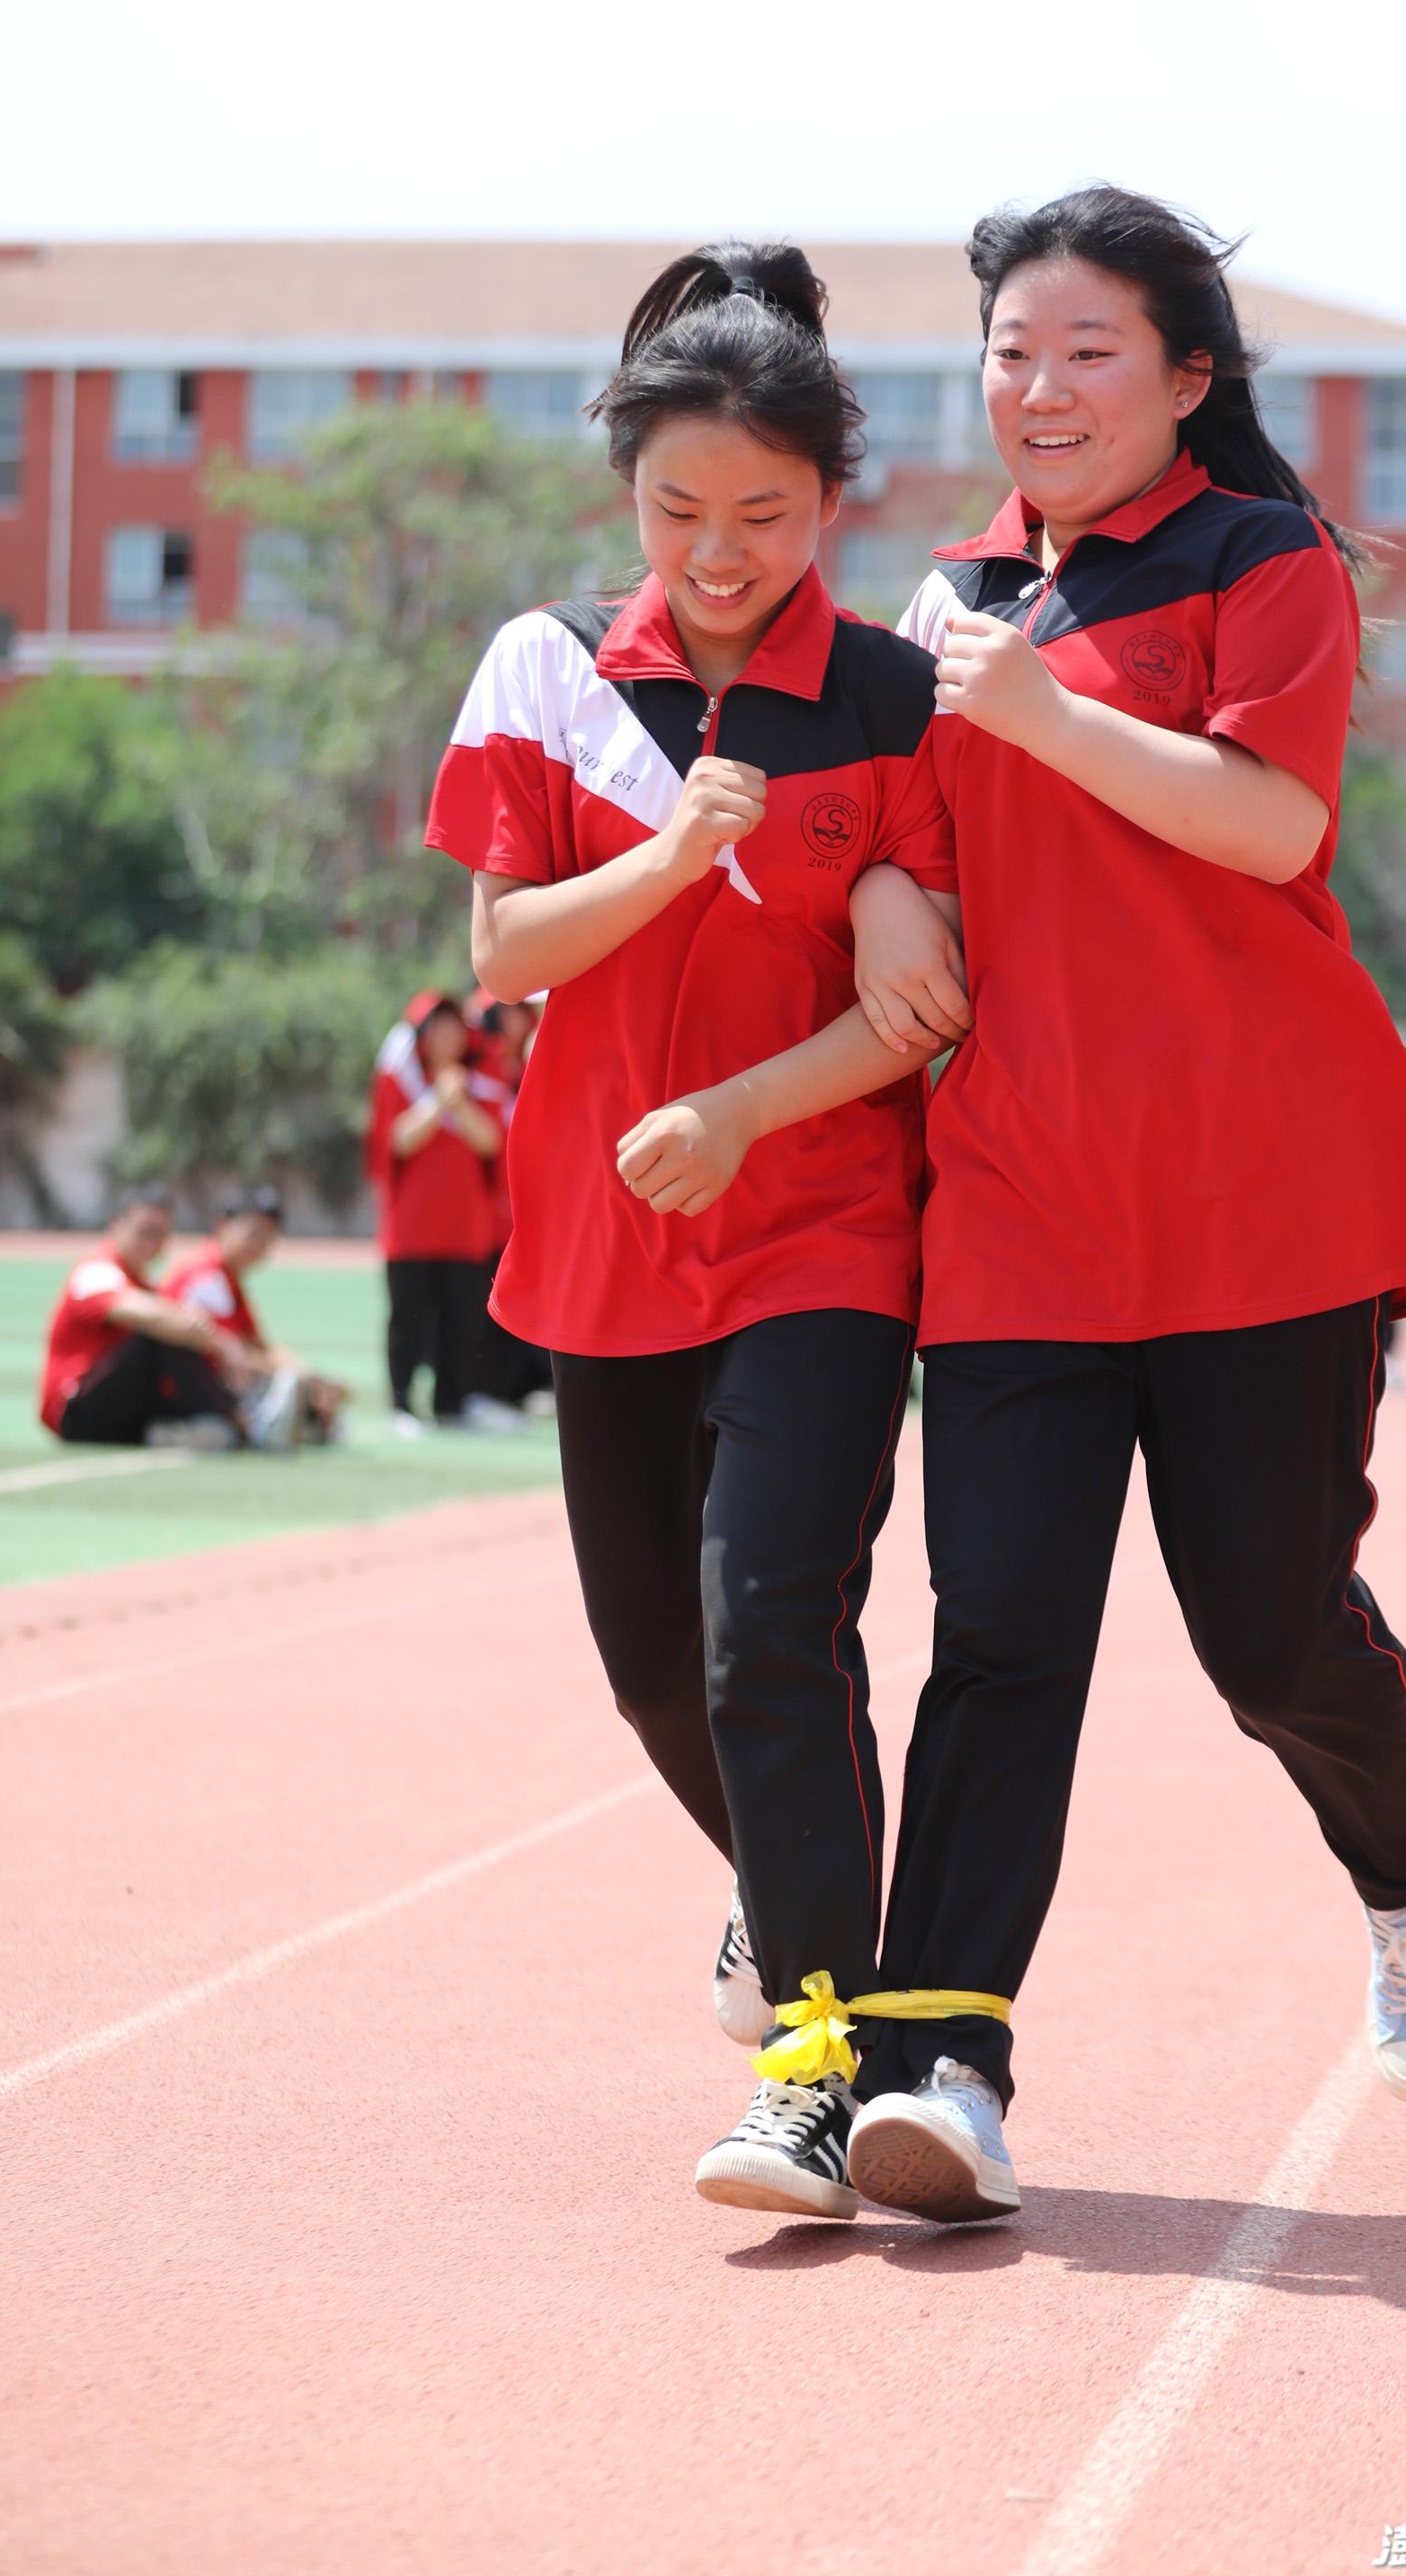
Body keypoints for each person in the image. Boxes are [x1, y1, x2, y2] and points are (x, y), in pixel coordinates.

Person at [832, 185, 1406, 2222]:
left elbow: (1271, 815)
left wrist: (1040, 708)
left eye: (1084, 350)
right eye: (1008, 353)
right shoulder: (944, 596)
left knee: (1263, 1626)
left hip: (1253, 1193)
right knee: (999, 1631)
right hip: (1021, 1188)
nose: (1036, 388)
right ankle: (939, 2066)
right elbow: (907, 836)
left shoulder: (1258, 558)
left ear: (1185, 377)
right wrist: (874, 885)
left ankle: (1405, 1867)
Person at [425, 240, 981, 2222]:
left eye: (762, 512)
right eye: (677, 509)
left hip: (821, 1226)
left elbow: (915, 1002)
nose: (720, 549)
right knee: (659, 1670)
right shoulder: (549, 670)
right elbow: (502, 954)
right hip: (600, 1238)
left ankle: (824, 2064)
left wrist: (749, 1103)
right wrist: (675, 850)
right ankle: (800, 1923)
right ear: (626, 494)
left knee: (771, 1632)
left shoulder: (902, 693)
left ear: (831, 500)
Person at [37, 1187, 299, 1451]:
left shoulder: (145, 1285)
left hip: (121, 1407)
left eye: (160, 1234)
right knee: (163, 1334)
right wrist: (223, 1345)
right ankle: (244, 1422)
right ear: (116, 1227)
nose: (152, 1241)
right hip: (75, 1412)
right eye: (145, 1230)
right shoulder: (96, 1271)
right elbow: (152, 1317)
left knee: (174, 1339)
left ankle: (202, 1427)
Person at [368, 991, 520, 1437]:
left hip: (465, 1229)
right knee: (407, 1320)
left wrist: (458, 1100)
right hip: (411, 1230)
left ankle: (454, 1403)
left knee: (463, 1321)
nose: (447, 1036)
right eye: (437, 1027)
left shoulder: (482, 1075)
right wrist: (438, 1101)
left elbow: (491, 1141)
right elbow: (396, 1140)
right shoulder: (402, 1077)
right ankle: (401, 1405)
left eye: (455, 1027)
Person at [160, 1188, 351, 1443]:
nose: (259, 1246)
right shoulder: (205, 1277)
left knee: (305, 1395)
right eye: (253, 1234)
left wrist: (310, 1376)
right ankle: (257, 1425)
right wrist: (305, 1382)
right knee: (277, 1388)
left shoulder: (228, 1279)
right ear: (222, 1226)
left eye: (268, 1239)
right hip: (183, 1389)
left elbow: (258, 1344)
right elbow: (231, 1354)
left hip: (215, 1381)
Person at [465, 989, 556, 1416]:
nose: (518, 1020)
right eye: (509, 1012)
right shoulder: (483, 1070)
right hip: (489, 1213)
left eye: (522, 1012)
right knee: (491, 1304)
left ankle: (519, 1387)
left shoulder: (528, 1066)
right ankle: (488, 1391)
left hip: (529, 1211)